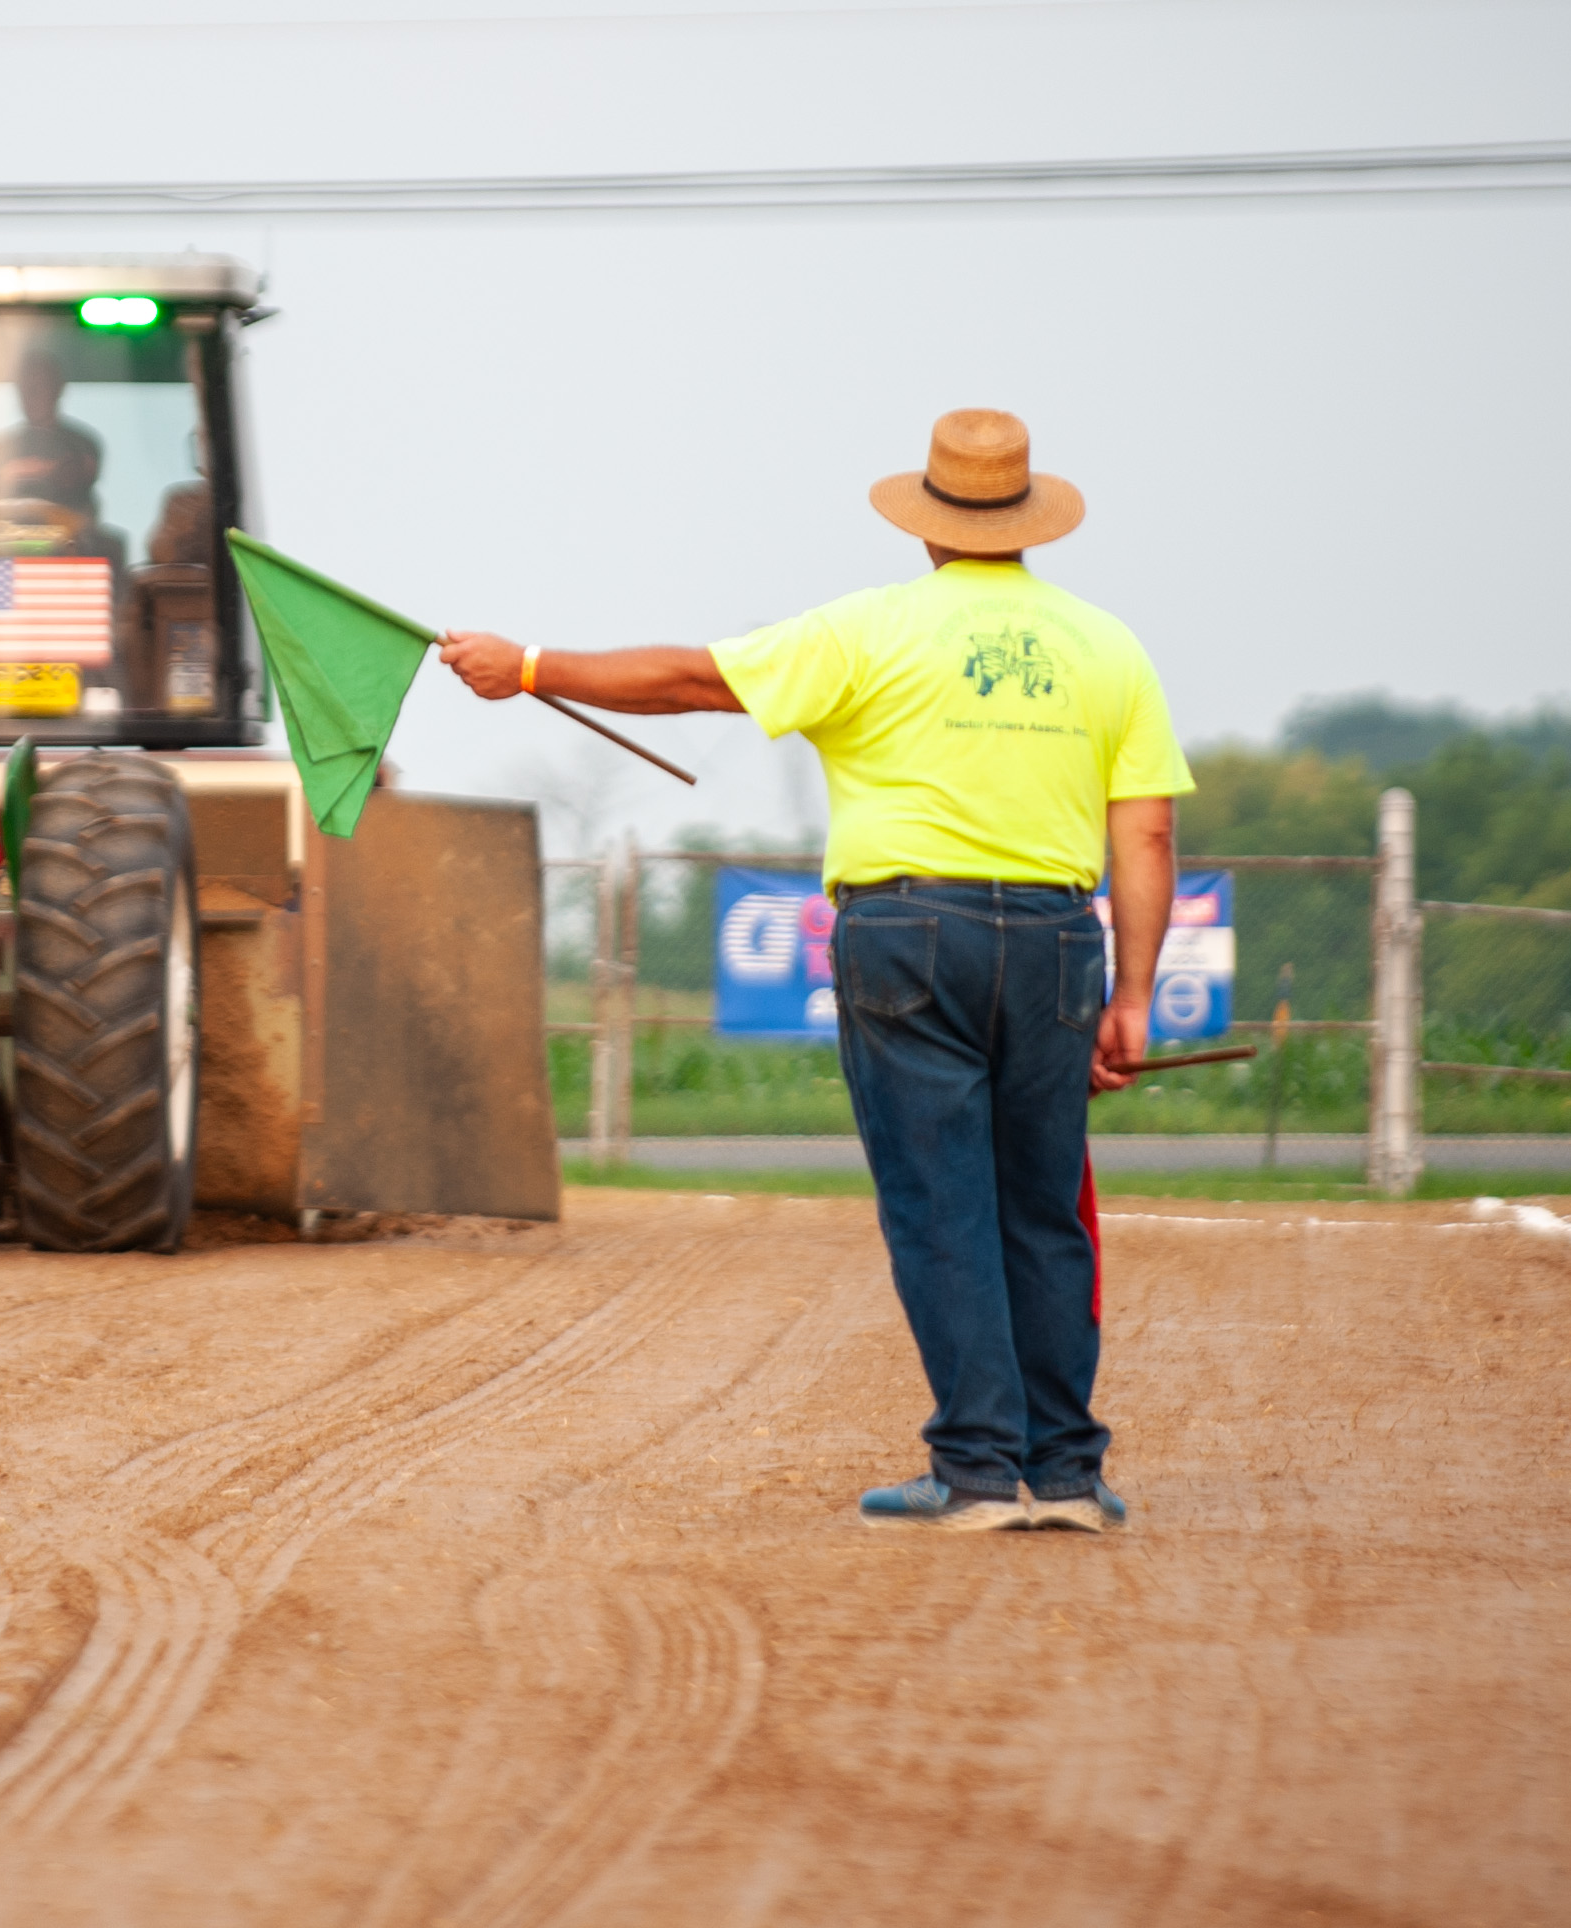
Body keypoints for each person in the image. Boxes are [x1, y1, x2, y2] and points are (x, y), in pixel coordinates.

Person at [438, 408, 1193, 1535]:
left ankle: (980, 1472)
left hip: (906, 929)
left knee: (939, 1201)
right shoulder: (1107, 646)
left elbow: (692, 679)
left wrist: (531, 665)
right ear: (1029, 522)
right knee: (1039, 1206)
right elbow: (1141, 838)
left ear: (925, 525)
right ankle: (1069, 1473)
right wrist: (1131, 993)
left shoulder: (869, 629)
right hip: (1055, 937)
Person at [0, 349, 103, 517]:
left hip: (73, 541)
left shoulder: (82, 446)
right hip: (2, 541)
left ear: (58, 389)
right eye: (26, 388)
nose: (32, 395)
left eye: (40, 386)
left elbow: (75, 482)